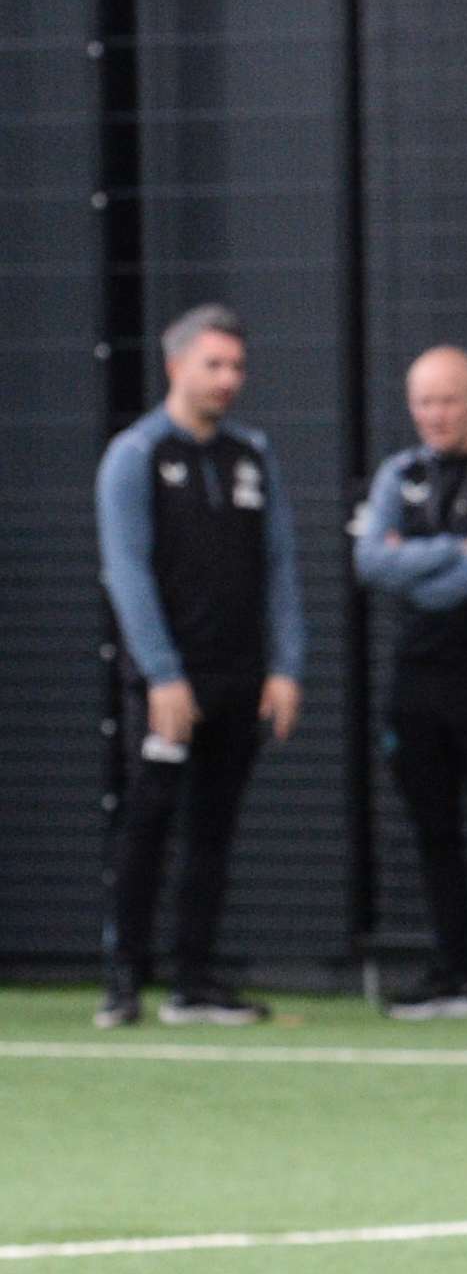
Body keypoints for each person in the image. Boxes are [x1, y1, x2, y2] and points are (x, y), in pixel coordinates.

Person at [94, 304, 305, 1027]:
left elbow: (279, 566)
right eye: (213, 365)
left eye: (237, 367)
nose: (228, 379)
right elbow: (127, 573)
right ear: (175, 364)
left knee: (214, 830)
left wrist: (286, 667)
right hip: (168, 687)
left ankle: (194, 980)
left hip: (240, 676)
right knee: (148, 825)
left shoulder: (252, 455)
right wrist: (162, 674)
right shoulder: (137, 453)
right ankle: (123, 979)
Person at [350, 343, 467, 1018]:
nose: (435, 414)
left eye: (448, 399)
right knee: (432, 829)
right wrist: (458, 550)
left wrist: (422, 560)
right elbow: (370, 564)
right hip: (415, 681)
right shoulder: (399, 472)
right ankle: (449, 970)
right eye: (423, 401)